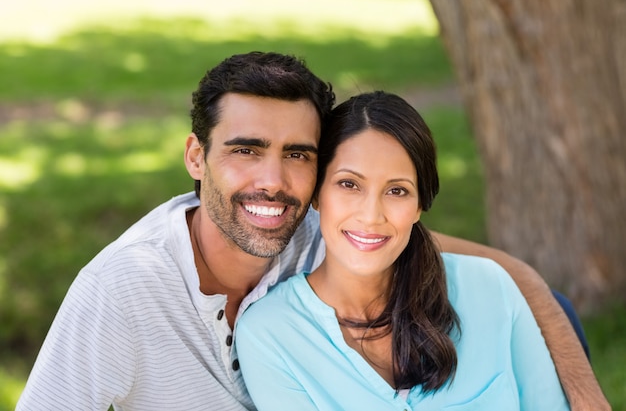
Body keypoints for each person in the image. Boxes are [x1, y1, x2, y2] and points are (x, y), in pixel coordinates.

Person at [16, 52, 607, 411]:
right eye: (246, 150)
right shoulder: (121, 290)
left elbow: (510, 277)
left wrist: (586, 398)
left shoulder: (333, 229)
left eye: (297, 155)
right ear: (196, 156)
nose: (273, 182)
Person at [235, 91, 571, 410]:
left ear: (419, 206)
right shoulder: (270, 334)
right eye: (349, 184)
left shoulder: (489, 288)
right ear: (317, 195)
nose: (371, 216)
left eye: (397, 191)